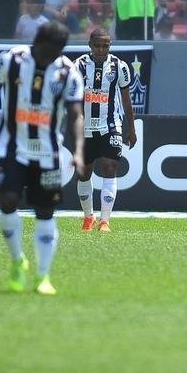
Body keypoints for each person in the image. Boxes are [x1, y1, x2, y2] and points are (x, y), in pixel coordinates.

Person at [0, 22, 86, 295]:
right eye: (47, 52)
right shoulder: (10, 60)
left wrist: (78, 151)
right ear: (36, 42)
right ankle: (18, 260)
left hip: (48, 152)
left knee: (45, 211)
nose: (51, 58)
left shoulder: (68, 72)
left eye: (57, 53)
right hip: (12, 147)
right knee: (7, 200)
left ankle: (43, 277)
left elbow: (76, 114)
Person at [73, 28, 138, 233]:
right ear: (90, 45)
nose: (101, 49)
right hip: (85, 127)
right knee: (84, 173)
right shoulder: (79, 65)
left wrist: (132, 129)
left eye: (106, 45)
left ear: (110, 45)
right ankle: (88, 217)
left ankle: (105, 221)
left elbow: (126, 100)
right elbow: (72, 96)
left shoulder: (120, 66)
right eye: (97, 45)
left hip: (111, 125)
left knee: (110, 167)